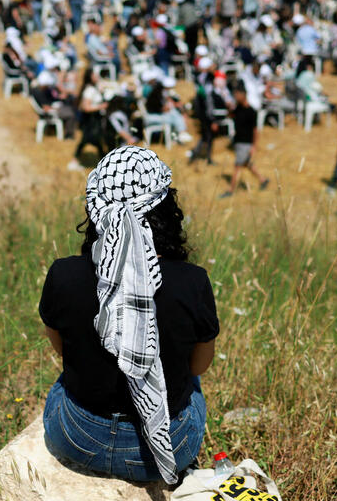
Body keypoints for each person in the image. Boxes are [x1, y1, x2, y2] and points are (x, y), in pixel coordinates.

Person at [39, 146, 218, 483]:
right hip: (168, 447)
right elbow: (199, 367)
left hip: (78, 438)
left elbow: (62, 349)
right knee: (190, 385)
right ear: (165, 209)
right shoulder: (193, 282)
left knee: (63, 383)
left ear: (96, 209)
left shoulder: (63, 275)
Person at [221, 86, 268, 197]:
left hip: (246, 143)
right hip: (238, 141)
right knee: (247, 164)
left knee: (237, 166)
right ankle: (263, 180)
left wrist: (254, 146)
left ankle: (231, 190)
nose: (236, 97)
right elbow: (231, 116)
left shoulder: (251, 111)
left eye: (238, 95)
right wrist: (228, 108)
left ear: (244, 95)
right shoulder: (238, 109)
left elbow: (256, 130)